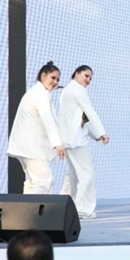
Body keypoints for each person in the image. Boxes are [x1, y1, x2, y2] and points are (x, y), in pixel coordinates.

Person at [58, 65, 109, 219]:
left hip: (67, 140)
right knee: (87, 174)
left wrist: (96, 135)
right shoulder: (79, 90)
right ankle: (83, 210)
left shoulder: (67, 90)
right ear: (76, 73)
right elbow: (90, 112)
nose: (88, 80)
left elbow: (79, 121)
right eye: (86, 76)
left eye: (90, 78)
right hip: (77, 141)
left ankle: (64, 206)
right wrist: (102, 132)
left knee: (73, 175)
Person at [7, 62, 65, 194]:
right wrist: (57, 144)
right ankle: (37, 208)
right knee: (43, 180)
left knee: (34, 182)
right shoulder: (40, 94)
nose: (55, 82)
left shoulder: (37, 92)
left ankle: (27, 207)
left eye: (57, 79)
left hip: (26, 147)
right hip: (30, 147)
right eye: (53, 78)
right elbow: (48, 119)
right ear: (43, 76)